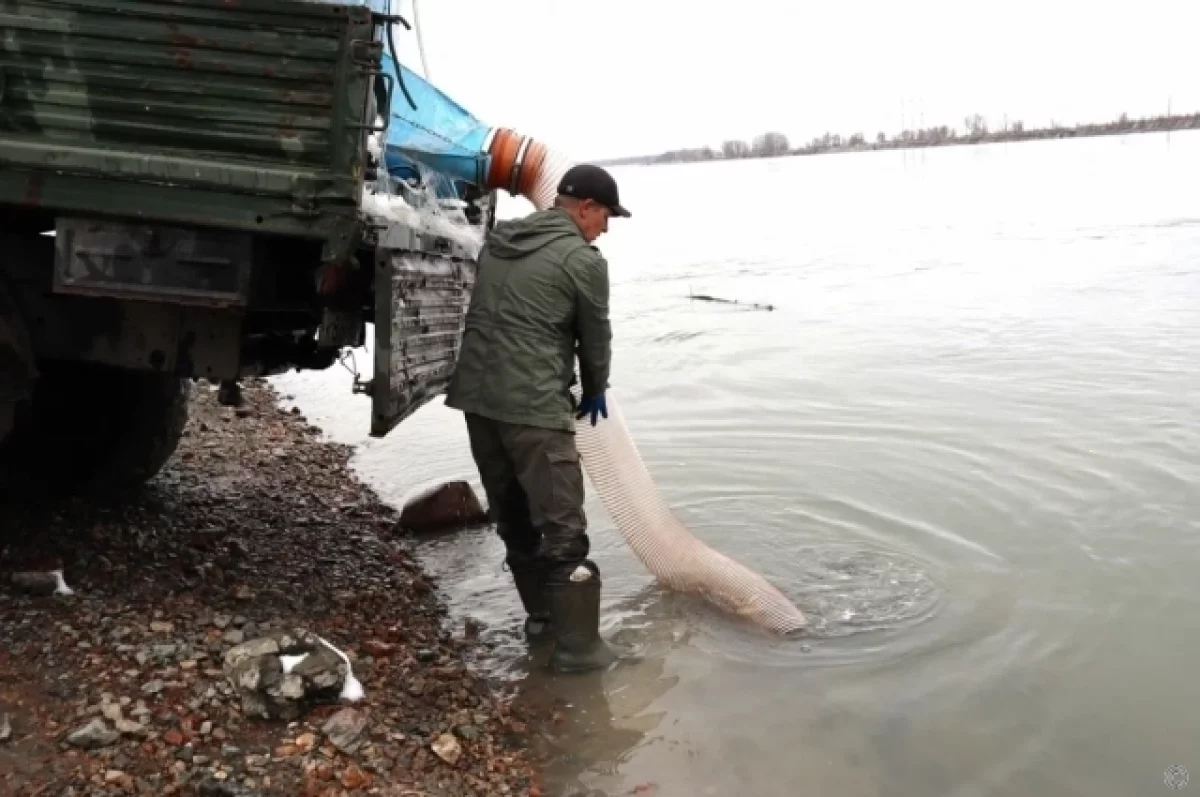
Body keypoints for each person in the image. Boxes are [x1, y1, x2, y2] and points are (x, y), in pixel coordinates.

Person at [444, 163, 631, 673]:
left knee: (514, 518)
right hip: (533, 411)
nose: (607, 227)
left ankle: (542, 623)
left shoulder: (500, 242)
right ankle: (581, 656)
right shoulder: (583, 260)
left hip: (478, 403)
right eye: (607, 215)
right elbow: (595, 340)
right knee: (564, 530)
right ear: (586, 208)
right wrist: (594, 390)